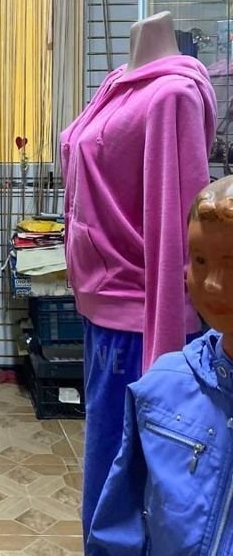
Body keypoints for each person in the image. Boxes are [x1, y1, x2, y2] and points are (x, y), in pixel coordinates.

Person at [60, 10, 217, 543]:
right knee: (109, 471)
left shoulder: (173, 96)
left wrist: (165, 359)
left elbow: (178, 229)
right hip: (102, 313)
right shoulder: (118, 83)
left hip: (136, 321)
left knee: (122, 483)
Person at [88, 176, 233, 555]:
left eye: (232, 264)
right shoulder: (160, 388)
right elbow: (121, 526)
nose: (212, 284)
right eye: (199, 261)